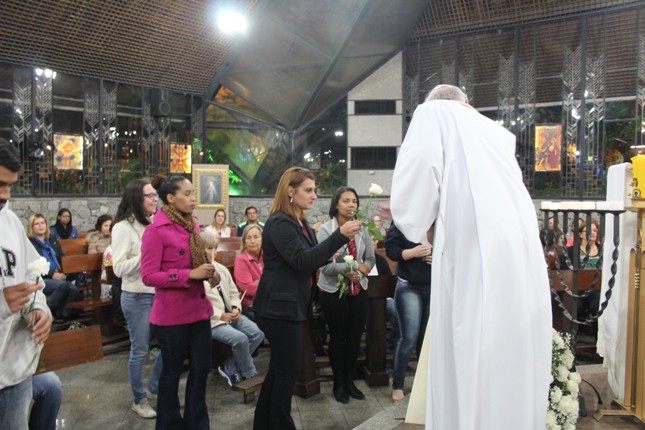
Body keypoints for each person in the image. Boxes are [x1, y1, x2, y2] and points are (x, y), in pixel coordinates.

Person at [390, 84, 551, 429]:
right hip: (518, 247)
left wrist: (424, 228)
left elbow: (414, 191)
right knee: (506, 345)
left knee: (467, 339)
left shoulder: (433, 112)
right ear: (467, 103)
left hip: (471, 246)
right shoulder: (493, 131)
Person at [252, 167, 362, 430]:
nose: (314, 195)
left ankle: (264, 424)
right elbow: (301, 261)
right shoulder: (280, 222)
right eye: (308, 190)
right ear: (291, 191)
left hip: (291, 304)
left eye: (315, 190)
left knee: (279, 371)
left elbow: (313, 257)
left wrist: (330, 251)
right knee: (287, 373)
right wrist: (339, 236)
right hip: (278, 307)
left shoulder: (299, 221)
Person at [141, 175, 217, 430]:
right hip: (171, 316)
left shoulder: (192, 226)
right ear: (171, 198)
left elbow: (197, 263)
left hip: (198, 311)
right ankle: (169, 424)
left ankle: (197, 423)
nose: (193, 198)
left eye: (193, 193)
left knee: (201, 370)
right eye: (187, 193)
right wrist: (189, 275)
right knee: (172, 373)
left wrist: (209, 272)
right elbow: (149, 276)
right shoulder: (156, 231)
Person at [0, 138, 52, 429]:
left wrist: (39, 309)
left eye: (10, 186)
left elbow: (32, 275)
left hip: (13, 368)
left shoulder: (9, 222)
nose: (5, 195)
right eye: (0, 184)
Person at [316, 186, 375, 403]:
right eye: (346, 201)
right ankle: (339, 383)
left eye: (354, 201)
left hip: (358, 289)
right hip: (333, 291)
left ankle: (350, 381)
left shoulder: (362, 229)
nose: (351, 205)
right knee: (338, 338)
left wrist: (362, 271)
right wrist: (352, 268)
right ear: (336, 204)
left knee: (354, 338)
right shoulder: (326, 230)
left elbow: (370, 259)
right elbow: (325, 266)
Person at [112, 178, 163, 419]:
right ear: (136, 199)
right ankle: (139, 400)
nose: (155, 199)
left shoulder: (153, 223)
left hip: (159, 293)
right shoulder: (123, 228)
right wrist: (146, 255)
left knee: (171, 344)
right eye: (150, 195)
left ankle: (154, 386)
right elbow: (118, 268)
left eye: (155, 195)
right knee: (140, 350)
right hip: (137, 296)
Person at [202, 230, 264, 386]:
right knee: (240, 339)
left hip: (231, 314)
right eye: (208, 248)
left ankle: (229, 365)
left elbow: (233, 292)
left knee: (258, 333)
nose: (212, 252)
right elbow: (199, 302)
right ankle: (250, 375)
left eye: (215, 248)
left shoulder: (220, 269)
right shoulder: (196, 272)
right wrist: (219, 315)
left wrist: (236, 307)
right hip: (212, 320)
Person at [384, 223, 432, 402]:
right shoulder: (404, 220)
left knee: (425, 339)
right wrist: (412, 252)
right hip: (409, 285)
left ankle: (423, 385)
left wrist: (439, 256)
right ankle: (397, 385)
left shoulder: (439, 219)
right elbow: (391, 250)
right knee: (409, 337)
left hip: (433, 284)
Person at [27, 214, 81, 322]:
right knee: (66, 286)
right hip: (42, 278)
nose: (40, 226)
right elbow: (33, 266)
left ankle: (63, 313)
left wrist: (65, 272)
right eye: (36, 224)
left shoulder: (52, 240)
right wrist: (52, 274)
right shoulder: (29, 244)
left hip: (59, 273)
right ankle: (50, 310)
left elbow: (62, 257)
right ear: (31, 227)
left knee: (74, 286)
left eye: (42, 223)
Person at [233, 224, 263, 321]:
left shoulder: (268, 256)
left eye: (256, 237)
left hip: (269, 302)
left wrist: (259, 282)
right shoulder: (241, 260)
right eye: (248, 238)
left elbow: (277, 279)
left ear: (262, 239)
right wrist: (267, 282)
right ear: (244, 242)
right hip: (250, 306)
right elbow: (249, 289)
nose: (252, 241)